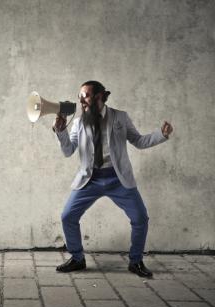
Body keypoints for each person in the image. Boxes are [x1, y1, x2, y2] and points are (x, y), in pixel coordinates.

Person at [52, 81, 173, 277]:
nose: (81, 100)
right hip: (89, 179)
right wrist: (60, 132)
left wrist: (161, 135)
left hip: (119, 179)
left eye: (86, 95)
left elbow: (139, 141)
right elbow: (68, 150)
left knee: (140, 218)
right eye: (80, 96)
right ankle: (77, 258)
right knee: (68, 217)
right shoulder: (78, 122)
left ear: (100, 97)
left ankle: (136, 262)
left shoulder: (120, 117)